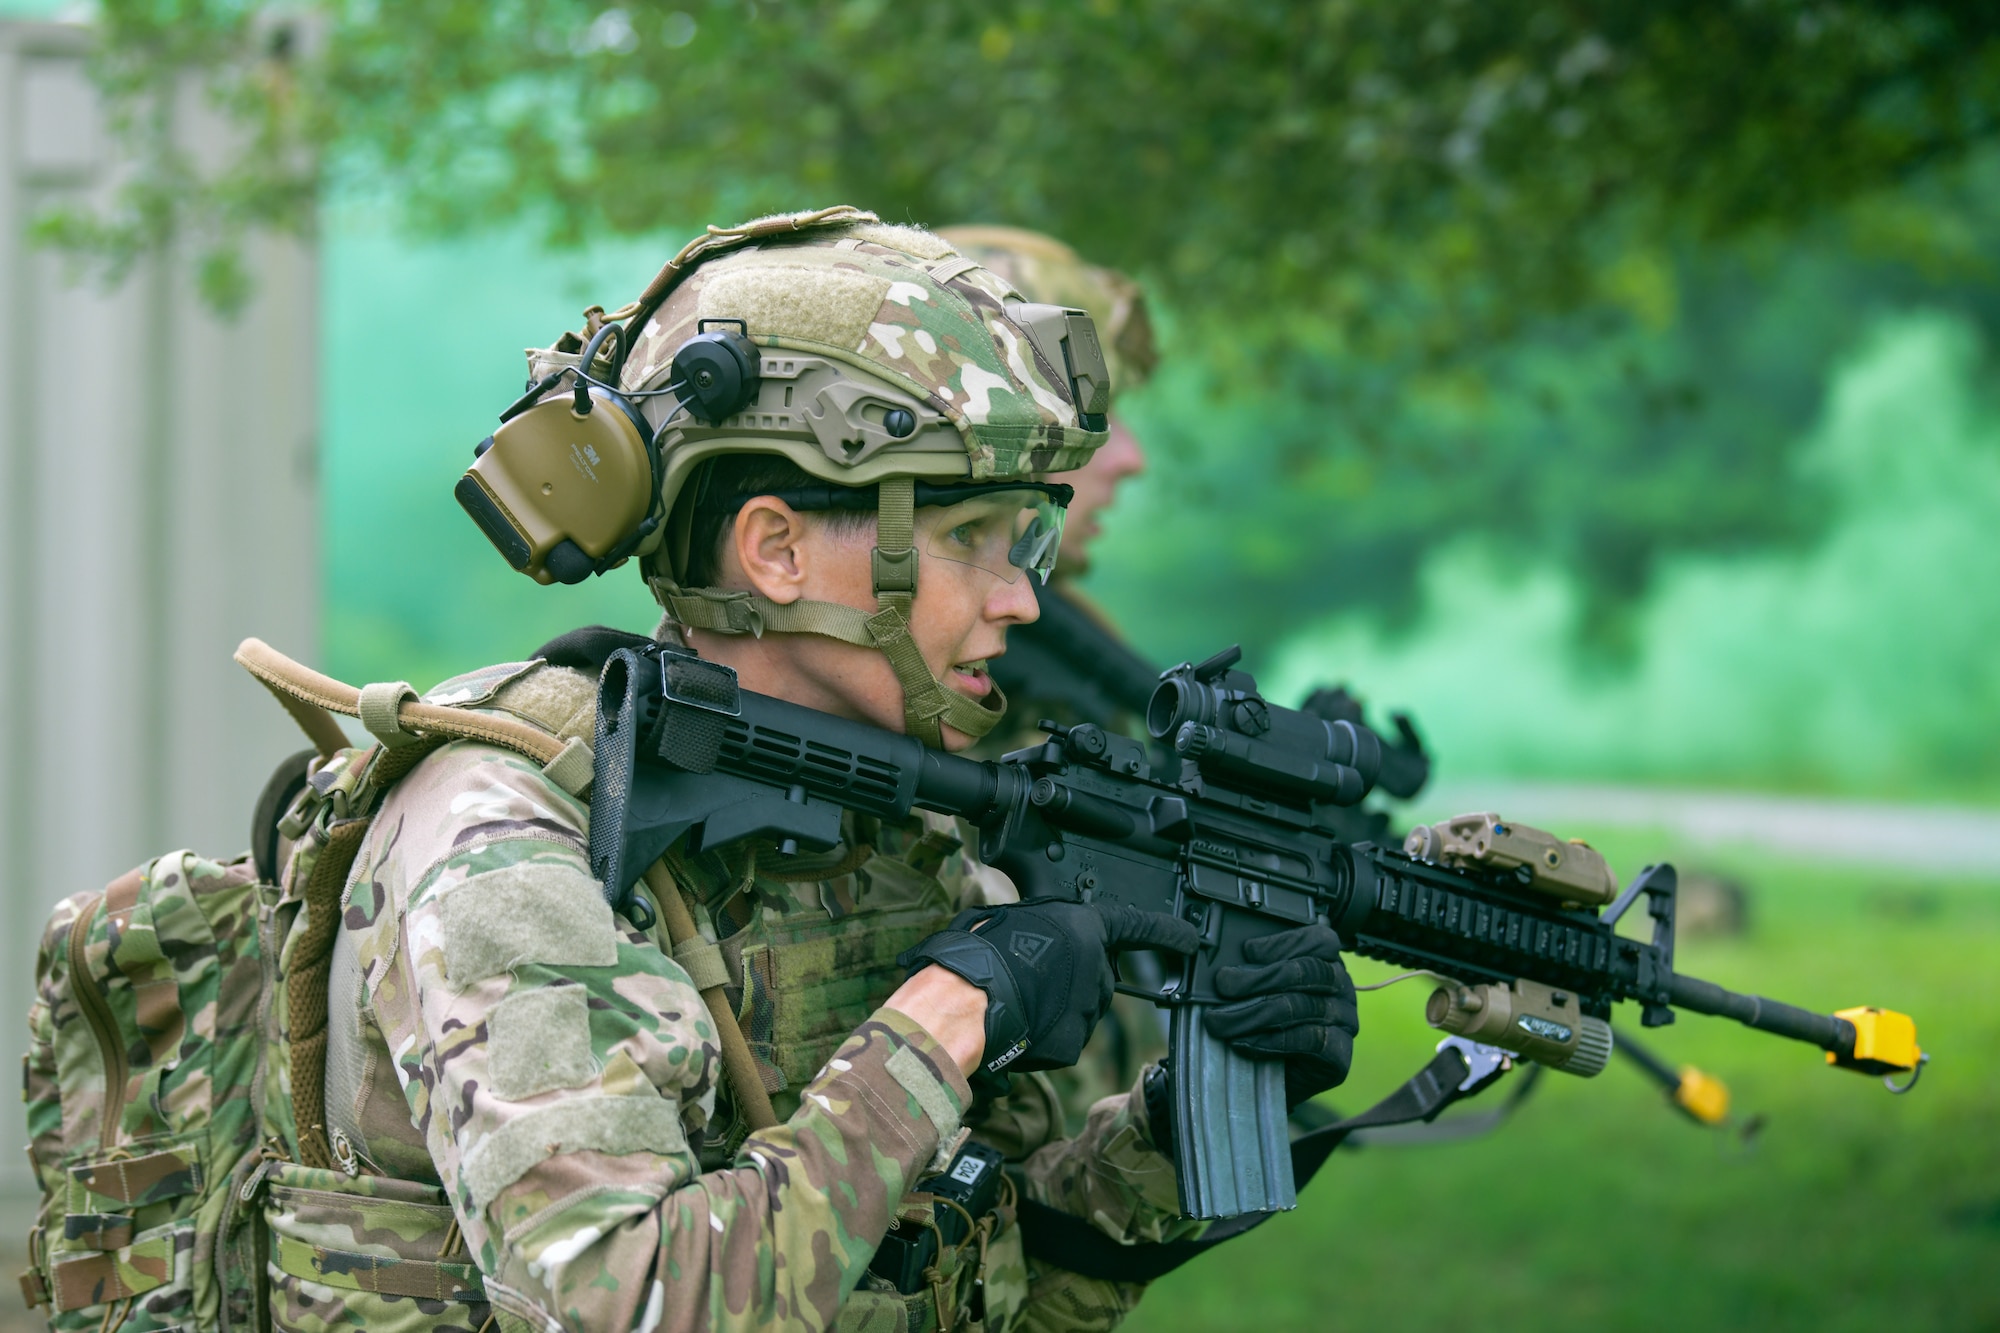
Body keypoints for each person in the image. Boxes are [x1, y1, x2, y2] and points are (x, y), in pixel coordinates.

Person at [321, 208, 1360, 1333]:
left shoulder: (893, 825)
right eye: (971, 537)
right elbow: (620, 1304)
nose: (1019, 599)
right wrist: (948, 1014)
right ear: (775, 550)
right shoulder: (510, 832)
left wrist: (1167, 1132)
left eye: (1030, 544)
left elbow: (984, 1288)